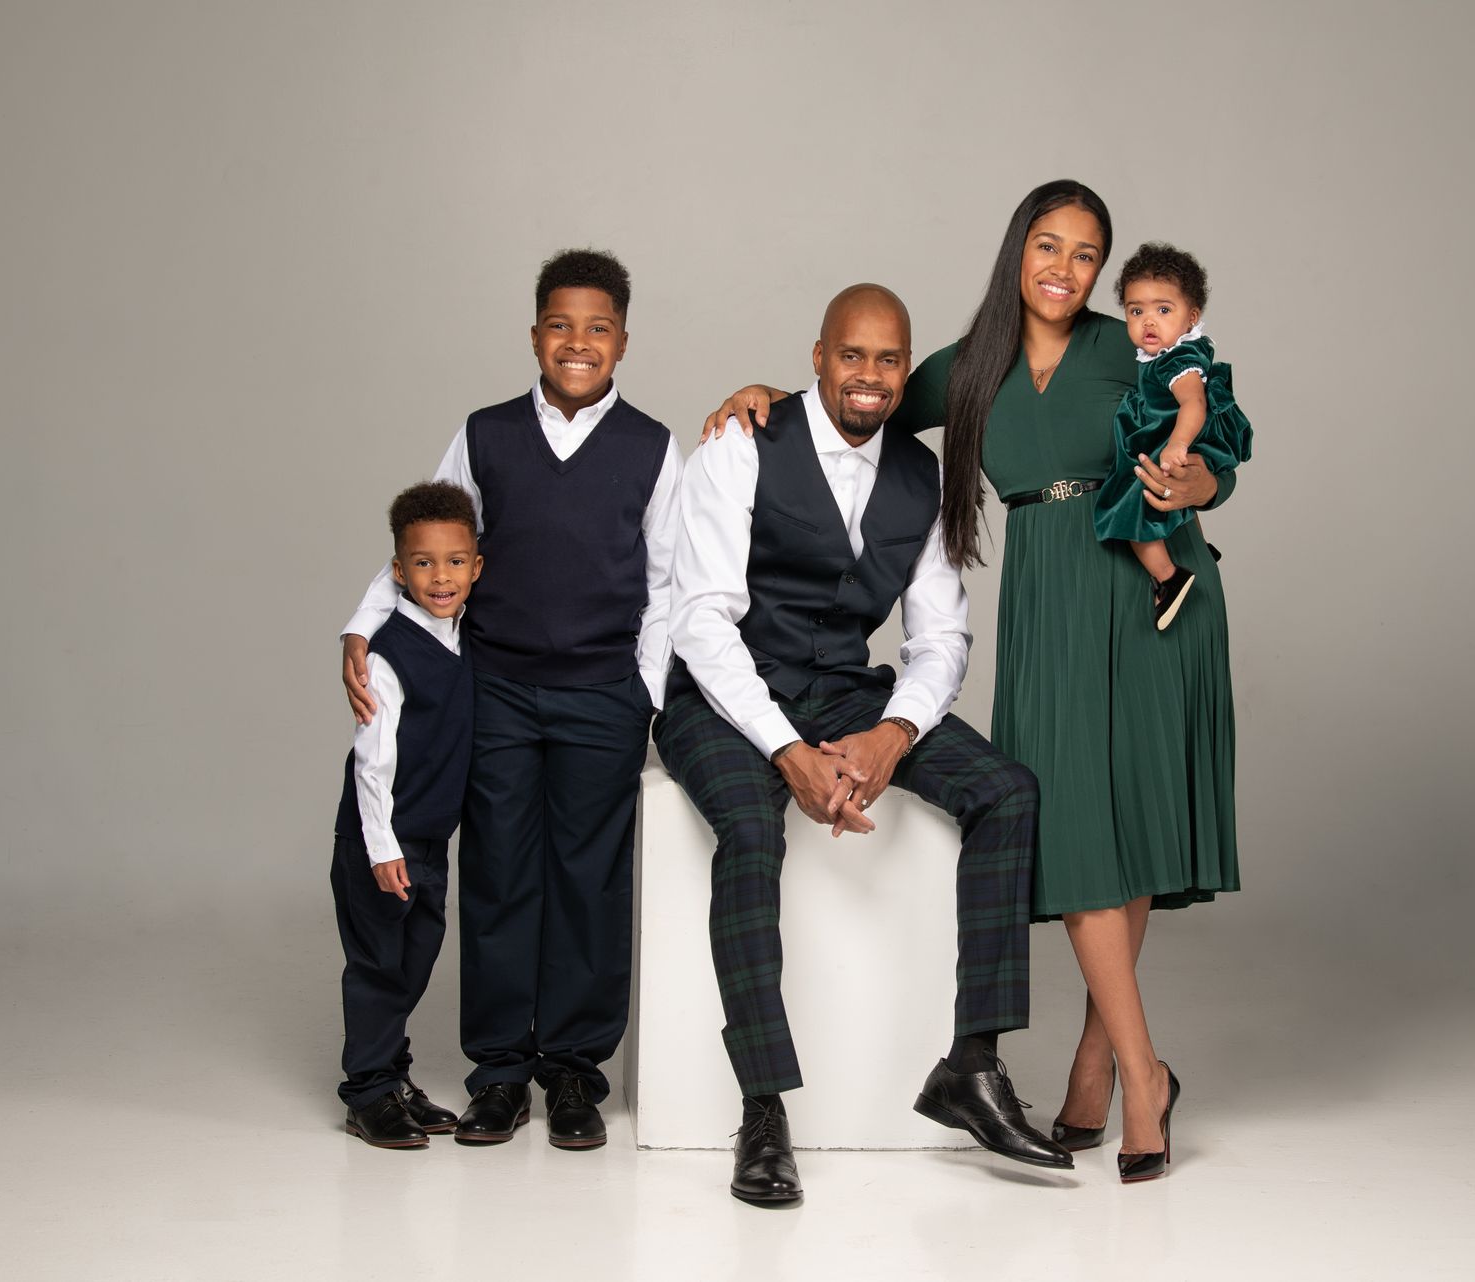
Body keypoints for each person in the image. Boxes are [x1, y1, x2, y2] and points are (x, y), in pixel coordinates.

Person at [703, 180, 1241, 1183]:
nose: (1065, 269)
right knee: (1077, 827)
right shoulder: (964, 369)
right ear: (1017, 250)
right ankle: (1138, 1068)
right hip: (1051, 596)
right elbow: (852, 399)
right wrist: (761, 395)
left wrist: (1196, 480)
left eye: (1087, 254)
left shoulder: (1128, 346)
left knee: (1127, 827)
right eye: (1049, 245)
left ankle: (1118, 1070)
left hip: (1151, 588)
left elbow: (1214, 446)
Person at [659, 283, 1073, 1208]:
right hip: (720, 697)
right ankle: (763, 1108)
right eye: (852, 355)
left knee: (1008, 790)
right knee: (753, 832)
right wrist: (786, 750)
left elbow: (942, 637)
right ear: (818, 358)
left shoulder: (925, 476)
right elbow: (701, 622)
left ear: (905, 368)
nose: (871, 376)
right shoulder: (740, 444)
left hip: (847, 690)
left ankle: (972, 1066)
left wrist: (893, 732)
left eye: (890, 359)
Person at [339, 249, 681, 1149]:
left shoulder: (652, 447)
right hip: (494, 694)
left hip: (602, 698)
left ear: (623, 343)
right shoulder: (484, 435)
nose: (578, 342)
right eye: (560, 325)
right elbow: (427, 543)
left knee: (589, 882)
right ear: (534, 337)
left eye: (598, 328)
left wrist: (642, 692)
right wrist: (361, 627)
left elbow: (668, 582)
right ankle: (498, 1071)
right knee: (497, 874)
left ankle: (571, 1070)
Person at [331, 481, 480, 1148]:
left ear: (476, 567)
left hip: (428, 841)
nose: (440, 577)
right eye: (423, 563)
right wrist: (382, 847)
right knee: (378, 966)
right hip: (381, 843)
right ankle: (367, 1092)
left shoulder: (464, 634)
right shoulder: (388, 654)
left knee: (415, 959)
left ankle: (393, 1077)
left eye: (455, 562)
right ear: (398, 571)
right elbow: (372, 762)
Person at [1092, 242, 1252, 630]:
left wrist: (1178, 444)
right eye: (1136, 311)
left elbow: (1194, 403)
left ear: (1191, 316)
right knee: (1177, 499)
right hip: (1170, 436)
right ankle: (1200, 547)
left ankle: (1168, 578)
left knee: (1128, 506)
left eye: (1163, 310)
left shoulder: (1177, 361)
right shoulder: (1166, 355)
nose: (1149, 322)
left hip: (1175, 441)